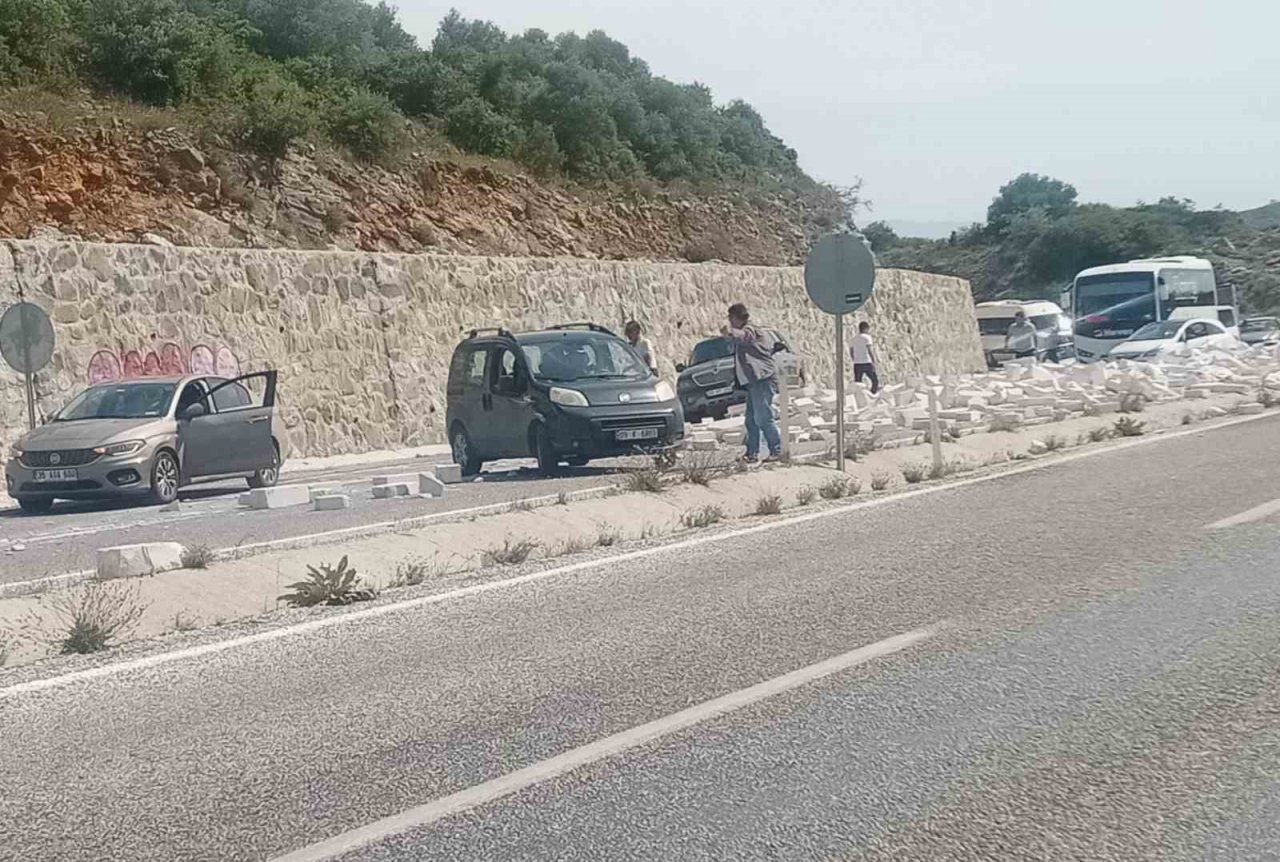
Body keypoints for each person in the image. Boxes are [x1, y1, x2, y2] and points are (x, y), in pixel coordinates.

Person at [721, 303, 782, 462]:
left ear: (736, 317)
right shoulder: (747, 330)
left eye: (730, 318)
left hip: (763, 379)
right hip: (754, 381)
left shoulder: (751, 329)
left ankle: (777, 450)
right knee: (750, 420)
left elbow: (744, 337)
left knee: (763, 417)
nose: (730, 321)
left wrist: (731, 333)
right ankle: (752, 453)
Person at [848, 320, 879, 394]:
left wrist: (854, 359)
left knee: (858, 383)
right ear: (866, 329)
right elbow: (870, 350)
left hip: (857, 364)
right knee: (875, 381)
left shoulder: (853, 339)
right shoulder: (867, 338)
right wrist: (873, 361)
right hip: (867, 362)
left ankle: (859, 398)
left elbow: (851, 352)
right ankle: (872, 394)